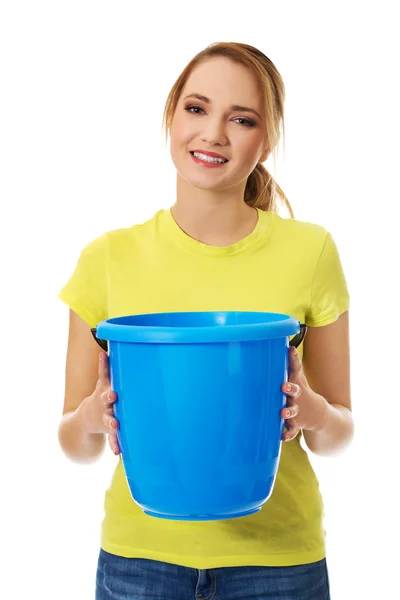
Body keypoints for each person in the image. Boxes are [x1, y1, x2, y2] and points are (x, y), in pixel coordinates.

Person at [57, 41, 354, 600]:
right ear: (170, 117)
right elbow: (74, 442)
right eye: (196, 108)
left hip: (278, 564)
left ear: (265, 141)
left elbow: (339, 433)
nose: (214, 133)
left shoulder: (311, 252)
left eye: (240, 119)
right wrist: (95, 417)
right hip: (139, 562)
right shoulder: (107, 259)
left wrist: (311, 410)